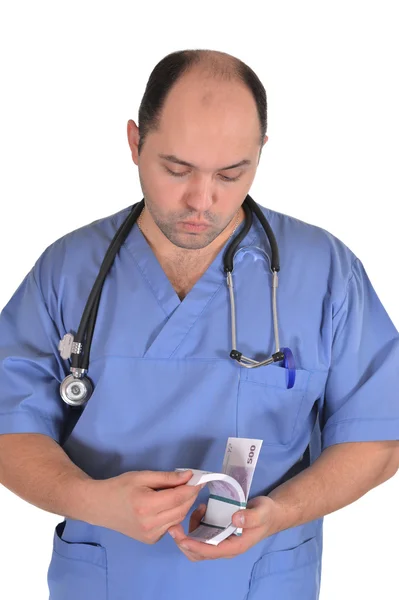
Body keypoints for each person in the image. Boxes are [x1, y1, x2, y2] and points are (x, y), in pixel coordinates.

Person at [0, 48, 398, 600]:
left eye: (232, 174)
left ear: (260, 153)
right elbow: (8, 425)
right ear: (136, 143)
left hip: (262, 580)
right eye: (176, 169)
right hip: (107, 580)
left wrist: (280, 513)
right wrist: (93, 502)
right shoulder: (67, 271)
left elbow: (378, 437)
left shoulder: (324, 272)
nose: (202, 201)